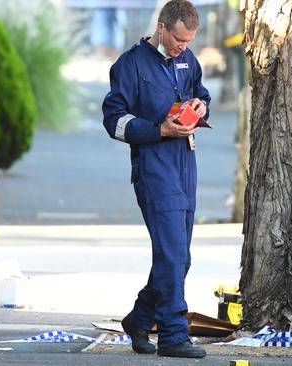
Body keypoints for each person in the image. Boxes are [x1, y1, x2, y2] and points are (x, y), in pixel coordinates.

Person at [102, 0, 210, 359]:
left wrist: (200, 105)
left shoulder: (188, 59)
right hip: (154, 165)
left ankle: (139, 319)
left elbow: (199, 91)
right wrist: (156, 129)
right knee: (173, 255)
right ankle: (173, 335)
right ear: (161, 28)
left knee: (179, 259)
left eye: (189, 42)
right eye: (179, 40)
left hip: (185, 163)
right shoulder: (130, 65)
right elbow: (113, 120)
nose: (183, 47)